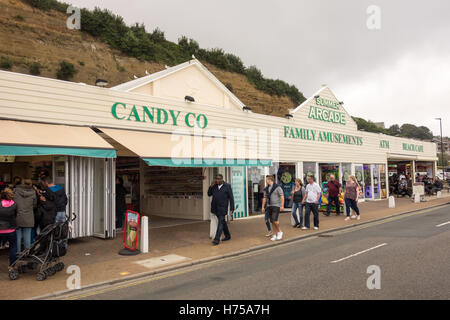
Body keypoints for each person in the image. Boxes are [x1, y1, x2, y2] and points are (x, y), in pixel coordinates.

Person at [208, 174, 234, 245]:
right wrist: (210, 186)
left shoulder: (227, 186)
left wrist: (232, 207)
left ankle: (216, 239)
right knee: (222, 222)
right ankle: (228, 235)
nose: (217, 180)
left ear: (222, 179)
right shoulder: (214, 186)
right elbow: (209, 194)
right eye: (216, 179)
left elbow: (231, 197)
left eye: (219, 179)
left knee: (220, 223)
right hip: (215, 208)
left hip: (223, 208)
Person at [14, 179, 37, 253]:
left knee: (17, 237)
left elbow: (13, 204)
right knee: (27, 236)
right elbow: (34, 205)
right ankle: (27, 253)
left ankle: (17, 253)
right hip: (29, 217)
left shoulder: (16, 191)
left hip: (18, 216)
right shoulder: (33, 192)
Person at [261, 175, 284, 241]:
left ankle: (280, 231)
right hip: (269, 206)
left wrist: (282, 206)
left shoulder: (277, 187)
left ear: (270, 180)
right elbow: (264, 198)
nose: (266, 181)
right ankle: (274, 234)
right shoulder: (266, 188)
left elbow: (282, 196)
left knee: (275, 220)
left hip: (276, 205)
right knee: (272, 221)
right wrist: (263, 207)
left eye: (266, 179)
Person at [0, 188, 18, 267]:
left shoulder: (0, 204)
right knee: (13, 247)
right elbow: (16, 215)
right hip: (11, 230)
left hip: (0, 230)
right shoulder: (15, 204)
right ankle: (12, 266)